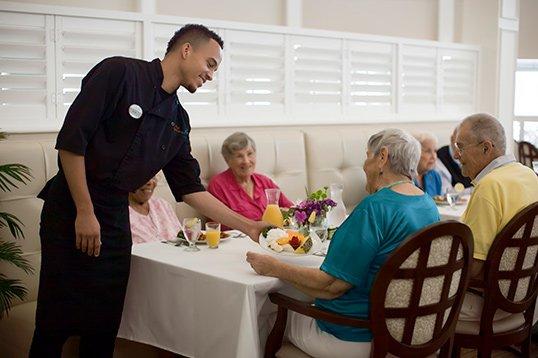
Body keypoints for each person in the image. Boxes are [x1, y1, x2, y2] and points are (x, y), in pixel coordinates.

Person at [30, 24, 265, 357]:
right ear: (186, 49)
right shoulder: (119, 73)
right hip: (71, 205)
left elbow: (190, 189)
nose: (211, 75)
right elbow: (71, 143)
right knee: (55, 322)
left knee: (104, 325)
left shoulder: (178, 120)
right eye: (210, 64)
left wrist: (249, 225)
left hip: (114, 217)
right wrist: (85, 211)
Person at [247, 129, 439, 358]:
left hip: (354, 335)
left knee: (264, 313)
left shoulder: (374, 208)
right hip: (407, 332)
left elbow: (331, 287)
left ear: (382, 157)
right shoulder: (428, 205)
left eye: (367, 156)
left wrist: (273, 267)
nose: (364, 166)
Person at [453, 113, 538, 323]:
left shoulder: (489, 187)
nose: (456, 155)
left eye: (461, 146)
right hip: (528, 298)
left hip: (492, 302)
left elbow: (473, 268)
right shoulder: (528, 174)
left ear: (486, 148)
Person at [208, 132, 293, 223]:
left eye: (249, 154)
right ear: (228, 160)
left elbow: (291, 210)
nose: (246, 161)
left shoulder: (265, 182)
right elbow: (219, 225)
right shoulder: (218, 185)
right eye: (239, 156)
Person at [128, 177, 181, 244]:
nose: (150, 182)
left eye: (153, 177)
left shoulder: (162, 205)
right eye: (142, 176)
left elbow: (181, 238)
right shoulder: (117, 214)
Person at [436, 127, 472, 193]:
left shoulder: (472, 154)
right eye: (458, 144)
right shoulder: (440, 156)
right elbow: (446, 191)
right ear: (452, 139)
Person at [413, 132, 442, 196]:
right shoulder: (406, 178)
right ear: (414, 153)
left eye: (435, 151)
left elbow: (440, 202)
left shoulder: (435, 176)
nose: (433, 157)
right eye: (428, 151)